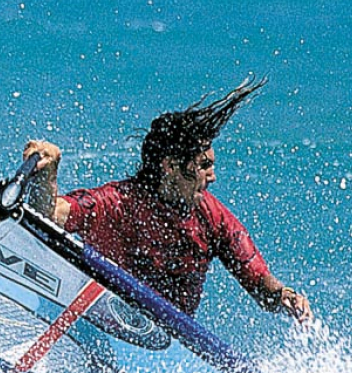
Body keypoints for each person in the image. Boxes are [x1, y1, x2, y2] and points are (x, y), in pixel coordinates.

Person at [24, 77, 312, 324]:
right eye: (203, 166)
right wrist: (47, 175)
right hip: (101, 322)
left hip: (167, 347)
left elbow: (257, 278)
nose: (212, 177)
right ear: (170, 166)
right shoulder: (118, 203)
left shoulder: (213, 218)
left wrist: (285, 296)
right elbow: (47, 218)